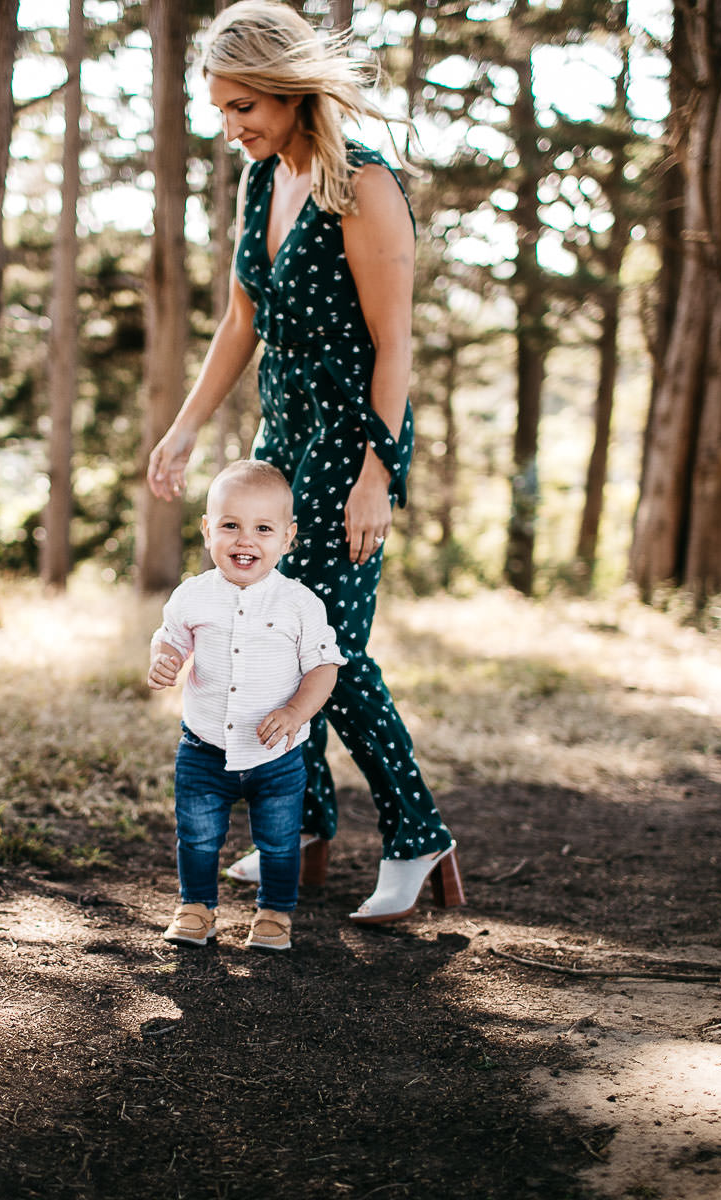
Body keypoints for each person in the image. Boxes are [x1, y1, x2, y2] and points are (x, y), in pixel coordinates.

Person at [146, 0, 464, 925]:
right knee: (273, 634)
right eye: (221, 108)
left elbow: (393, 341)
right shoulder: (261, 183)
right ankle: (308, 828)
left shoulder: (363, 186)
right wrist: (185, 427)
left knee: (334, 650)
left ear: (289, 92)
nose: (232, 125)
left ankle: (418, 833)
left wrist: (379, 471)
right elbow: (241, 322)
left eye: (244, 105)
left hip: (346, 444)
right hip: (278, 440)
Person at [149, 461, 345, 952]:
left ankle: (275, 912)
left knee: (279, 842)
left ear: (287, 536)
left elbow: (324, 668)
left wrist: (297, 713)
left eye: (262, 528)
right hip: (203, 747)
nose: (245, 540)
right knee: (196, 837)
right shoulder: (192, 595)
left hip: (275, 755)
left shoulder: (300, 604)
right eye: (231, 525)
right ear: (207, 529)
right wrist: (166, 659)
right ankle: (197, 906)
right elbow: (169, 637)